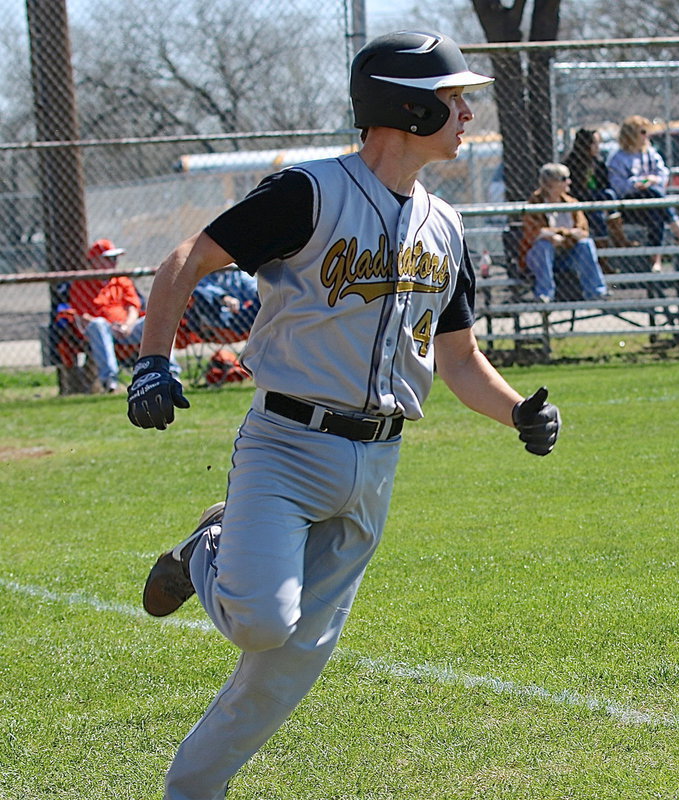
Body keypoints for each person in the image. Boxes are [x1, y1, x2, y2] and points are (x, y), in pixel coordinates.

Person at [127, 30, 561, 800]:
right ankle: (208, 547)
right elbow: (187, 258)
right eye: (452, 99)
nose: (465, 113)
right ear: (405, 105)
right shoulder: (309, 192)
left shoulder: (445, 227)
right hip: (287, 443)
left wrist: (516, 412)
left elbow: (456, 359)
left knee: (286, 664)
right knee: (262, 620)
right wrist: (152, 360)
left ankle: (191, 791)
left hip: (378, 462)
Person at [68, 239, 179, 392]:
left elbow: (133, 307)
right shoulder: (82, 283)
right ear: (94, 260)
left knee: (156, 321)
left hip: (128, 327)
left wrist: (127, 325)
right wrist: (110, 326)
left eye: (115, 258)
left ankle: (171, 373)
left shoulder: (121, 279)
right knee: (98, 325)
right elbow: (82, 316)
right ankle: (110, 381)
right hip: (103, 330)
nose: (114, 262)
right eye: (109, 258)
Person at [607, 115, 679, 271]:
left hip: (652, 201)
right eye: (642, 132)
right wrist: (638, 183)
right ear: (631, 135)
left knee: (656, 214)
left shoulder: (649, 152)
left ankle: (655, 260)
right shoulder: (618, 157)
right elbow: (618, 186)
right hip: (630, 204)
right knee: (655, 197)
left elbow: (662, 173)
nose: (646, 135)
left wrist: (652, 180)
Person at [519, 163, 608, 303]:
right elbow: (535, 232)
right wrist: (567, 234)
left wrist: (559, 236)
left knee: (585, 244)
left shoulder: (571, 203)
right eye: (564, 178)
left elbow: (583, 231)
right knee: (544, 245)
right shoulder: (534, 204)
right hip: (540, 258)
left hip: (566, 254)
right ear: (551, 182)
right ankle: (544, 295)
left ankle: (596, 292)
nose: (569, 182)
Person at [185, 265, 260, 340]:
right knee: (199, 293)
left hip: (245, 314)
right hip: (218, 318)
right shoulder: (203, 275)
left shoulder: (236, 272)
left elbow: (254, 287)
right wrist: (223, 297)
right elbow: (201, 289)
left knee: (262, 295)